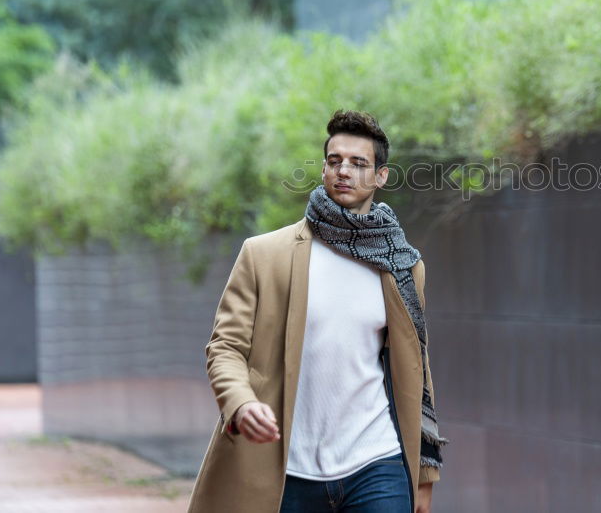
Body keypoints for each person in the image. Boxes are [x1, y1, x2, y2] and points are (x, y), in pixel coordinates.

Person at [187, 110, 447, 513]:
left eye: (358, 163)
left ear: (381, 176)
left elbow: (417, 368)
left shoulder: (403, 265)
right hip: (287, 467)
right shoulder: (265, 255)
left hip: (376, 461)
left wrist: (425, 473)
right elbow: (224, 347)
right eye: (334, 161)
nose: (343, 170)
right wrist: (240, 402)